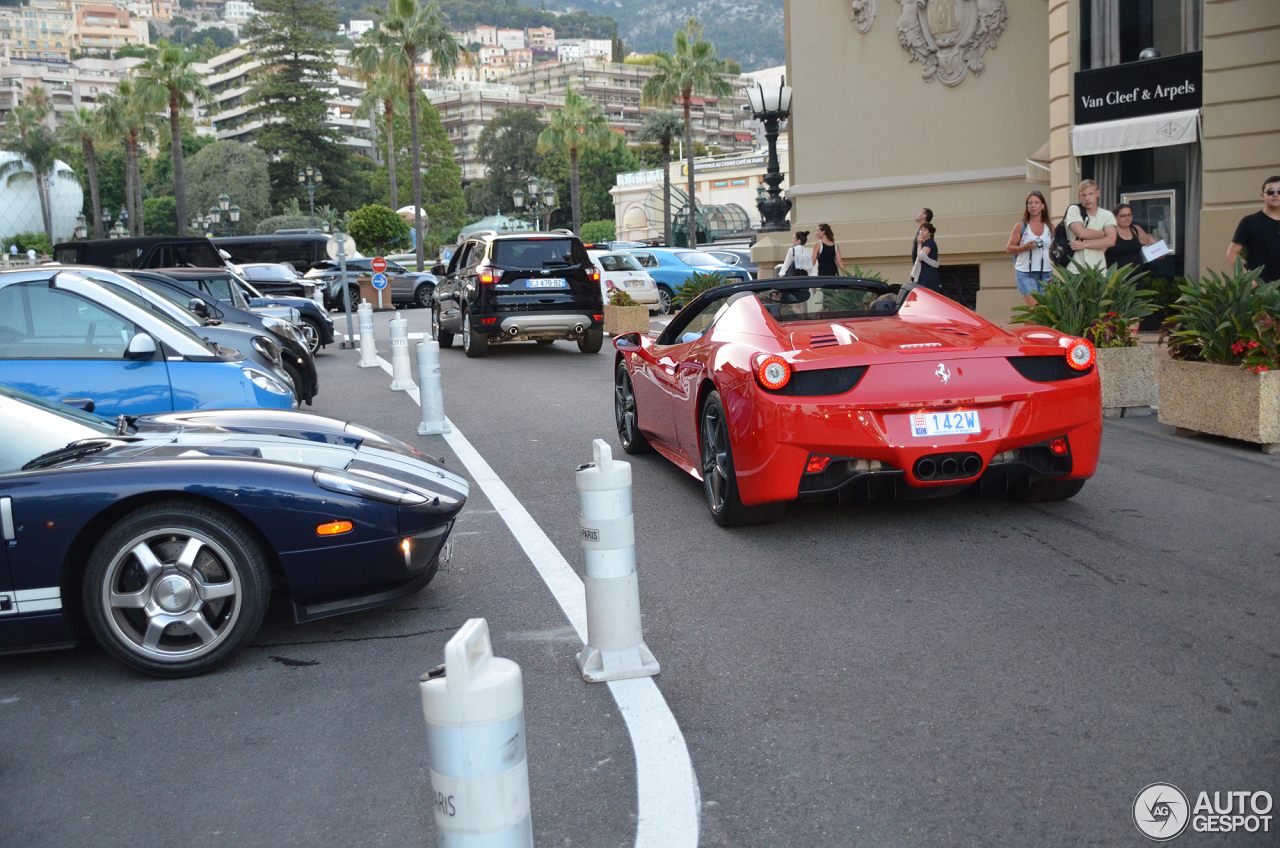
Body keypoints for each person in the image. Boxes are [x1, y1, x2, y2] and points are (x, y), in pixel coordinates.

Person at [1226, 175, 1280, 283]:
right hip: (1261, 289)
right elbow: (1231, 254)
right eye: (1270, 192)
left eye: (1279, 191)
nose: (1275, 195)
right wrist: (1248, 278)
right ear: (1262, 196)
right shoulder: (1250, 222)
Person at [1007, 191, 1053, 306]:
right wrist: (1025, 247)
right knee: (1034, 309)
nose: (1033, 206)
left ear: (1043, 206)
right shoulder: (1021, 226)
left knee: (1044, 311)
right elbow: (1009, 248)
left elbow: (1053, 248)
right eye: (1030, 203)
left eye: (1036, 203)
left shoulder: (1050, 227)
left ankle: (1032, 325)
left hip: (1046, 273)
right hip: (1026, 273)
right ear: (1027, 207)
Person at [1064, 179, 1117, 271]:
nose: (1087, 198)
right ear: (1079, 196)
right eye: (1084, 195)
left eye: (1090, 194)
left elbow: (1111, 241)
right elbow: (1081, 233)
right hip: (1075, 268)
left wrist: (1084, 245)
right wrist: (1103, 234)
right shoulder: (1074, 210)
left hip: (1098, 268)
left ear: (1097, 193)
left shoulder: (1107, 215)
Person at [1105, 203, 1157, 270]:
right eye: (1123, 216)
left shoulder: (1135, 229)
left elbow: (1149, 240)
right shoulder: (1110, 231)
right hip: (1117, 277)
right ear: (1115, 217)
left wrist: (1159, 250)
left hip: (1137, 275)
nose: (1127, 218)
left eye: (1129, 215)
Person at [911, 222, 940, 291]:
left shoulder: (929, 242)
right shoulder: (926, 243)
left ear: (930, 233)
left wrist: (919, 244)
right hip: (923, 273)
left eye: (925, 230)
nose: (921, 232)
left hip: (928, 274)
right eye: (921, 230)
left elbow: (921, 257)